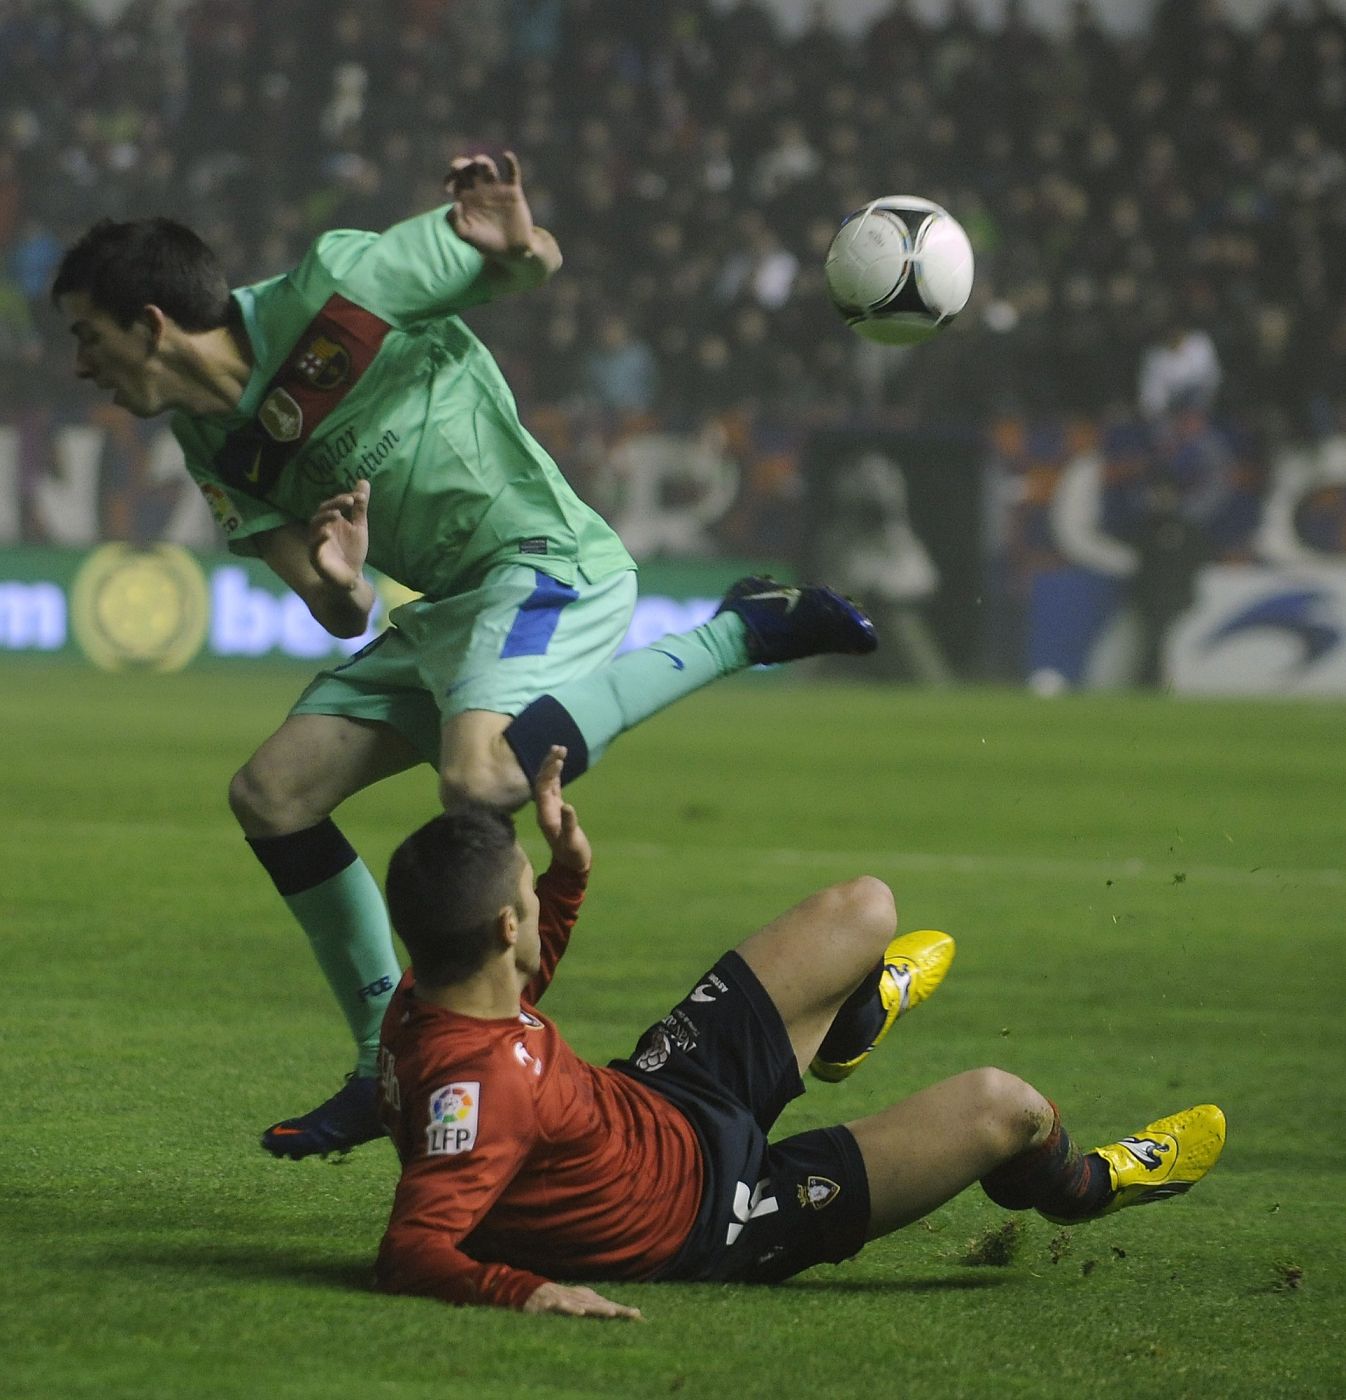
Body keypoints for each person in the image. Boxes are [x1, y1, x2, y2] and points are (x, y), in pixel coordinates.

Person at [51, 153, 878, 1160]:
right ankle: (377, 1064)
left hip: (540, 560)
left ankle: (742, 627)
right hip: (450, 607)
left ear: (149, 323)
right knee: (272, 793)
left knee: (479, 775)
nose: (80, 365)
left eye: (87, 338)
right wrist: (340, 573)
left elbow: (521, 269)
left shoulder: (337, 287)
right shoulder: (211, 441)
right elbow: (332, 605)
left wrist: (518, 239)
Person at [374, 745, 1226, 1316]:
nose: (533, 911)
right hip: (717, 1214)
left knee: (867, 907)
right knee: (1008, 1108)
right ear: (501, 929)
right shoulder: (477, 1089)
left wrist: (565, 871)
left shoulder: (435, 987)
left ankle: (845, 1030)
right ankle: (1083, 1185)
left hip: (662, 1094)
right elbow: (415, 1247)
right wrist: (531, 1293)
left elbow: (521, 977)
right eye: (526, 896)